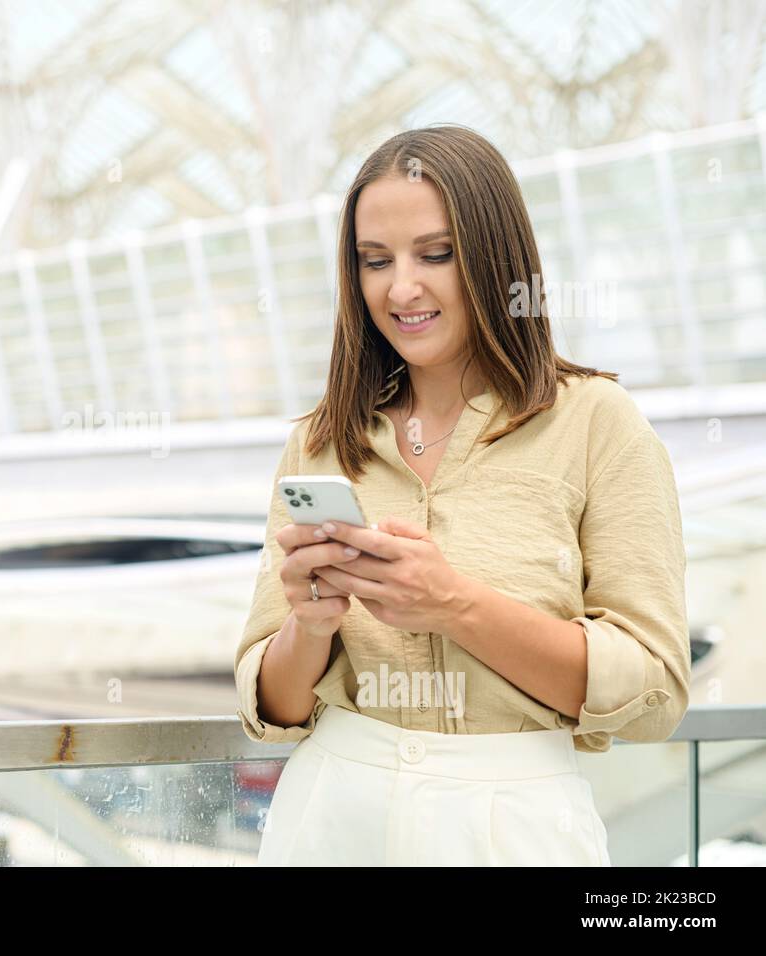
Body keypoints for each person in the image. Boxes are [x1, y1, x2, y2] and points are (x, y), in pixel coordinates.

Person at [235, 124, 690, 866]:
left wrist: (452, 603)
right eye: (374, 261)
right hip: (331, 815)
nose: (400, 287)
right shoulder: (320, 441)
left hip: (516, 825)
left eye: (435, 254)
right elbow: (275, 711)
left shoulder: (598, 424)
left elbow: (656, 694)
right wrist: (310, 625)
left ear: (494, 256)